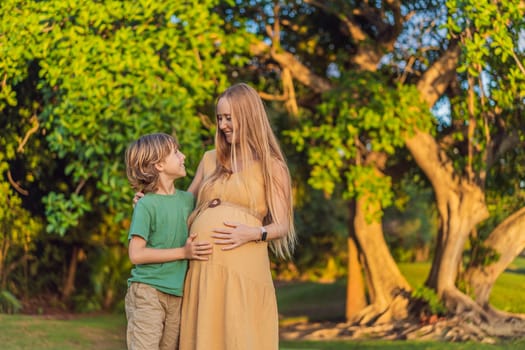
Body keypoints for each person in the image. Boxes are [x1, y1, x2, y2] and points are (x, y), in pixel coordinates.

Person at [179, 83, 297, 350]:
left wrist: (253, 233)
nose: (222, 125)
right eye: (220, 118)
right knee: (203, 336)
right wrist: (152, 200)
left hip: (244, 268)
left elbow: (282, 224)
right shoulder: (210, 159)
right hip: (204, 268)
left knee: (239, 335)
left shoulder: (272, 167)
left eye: (229, 118)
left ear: (248, 117)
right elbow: (184, 203)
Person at [124, 132, 212, 350]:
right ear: (159, 165)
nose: (182, 156)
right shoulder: (147, 205)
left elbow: (206, 176)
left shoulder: (187, 200)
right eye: (176, 152)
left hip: (176, 295)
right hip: (148, 292)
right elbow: (136, 254)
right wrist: (184, 253)